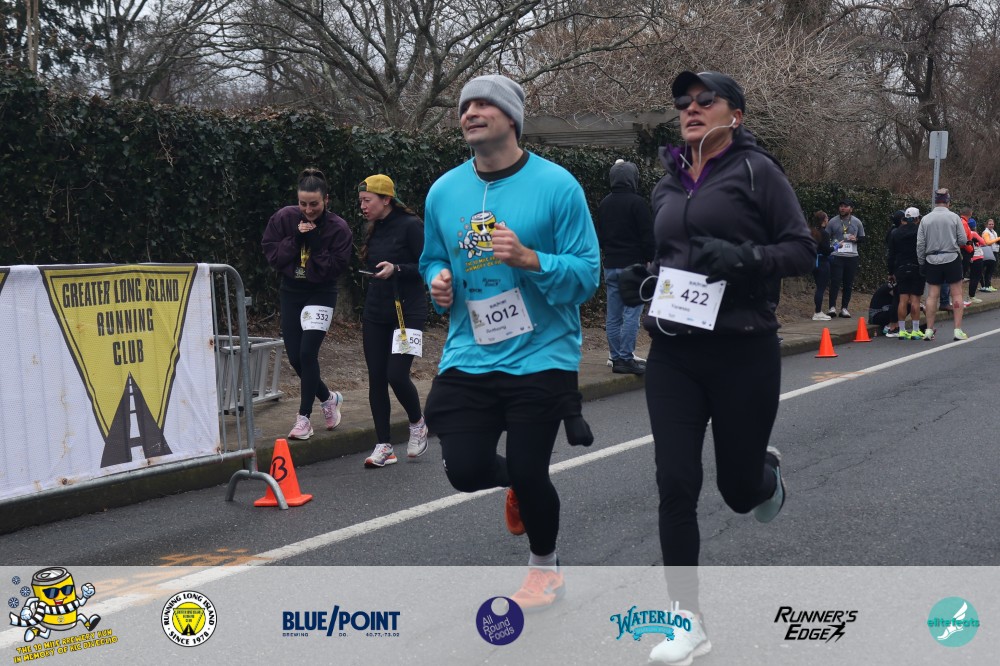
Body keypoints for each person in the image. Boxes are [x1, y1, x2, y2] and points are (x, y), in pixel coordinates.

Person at [619, 71, 813, 665]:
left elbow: (802, 250)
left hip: (742, 351)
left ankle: (763, 475)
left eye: (706, 100)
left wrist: (744, 258)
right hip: (674, 353)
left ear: (736, 115)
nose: (691, 108)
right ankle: (688, 622)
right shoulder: (666, 183)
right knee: (675, 482)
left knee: (737, 492)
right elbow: (669, 257)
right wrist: (642, 278)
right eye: (683, 101)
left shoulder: (758, 172)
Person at [419, 74, 600, 610]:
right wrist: (436, 282)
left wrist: (530, 259)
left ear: (512, 118)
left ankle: (545, 567)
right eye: (465, 106)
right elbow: (433, 256)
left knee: (529, 466)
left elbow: (587, 274)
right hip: (470, 352)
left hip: (542, 353)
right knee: (465, 470)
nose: (471, 112)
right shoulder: (443, 191)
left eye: (484, 104)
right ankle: (517, 483)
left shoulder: (558, 186)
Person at [262, 168, 353, 439]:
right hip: (291, 291)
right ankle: (328, 398)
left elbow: (333, 269)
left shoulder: (338, 228)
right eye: (303, 203)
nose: (308, 209)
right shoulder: (284, 218)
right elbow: (273, 256)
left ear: (326, 200)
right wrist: (296, 239)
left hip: (321, 293)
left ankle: (304, 419)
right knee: (294, 357)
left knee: (307, 353)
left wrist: (315, 242)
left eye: (314, 204)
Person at [357, 174, 429, 468]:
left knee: (396, 375)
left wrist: (397, 269)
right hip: (376, 312)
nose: (363, 206)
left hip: (408, 311)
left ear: (386, 199)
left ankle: (417, 423)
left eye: (367, 200)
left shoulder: (412, 226)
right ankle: (384, 445)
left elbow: (427, 265)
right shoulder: (374, 228)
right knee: (376, 377)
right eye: (361, 201)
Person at [597, 159, 654, 374]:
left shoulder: (604, 203)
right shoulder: (638, 203)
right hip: (634, 266)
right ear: (633, 178)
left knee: (613, 315)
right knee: (632, 313)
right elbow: (648, 236)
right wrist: (650, 258)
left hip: (611, 265)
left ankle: (615, 357)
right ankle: (626, 357)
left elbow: (600, 235)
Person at [916, 188, 968, 341]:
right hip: (951, 257)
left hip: (932, 259)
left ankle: (929, 330)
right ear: (948, 202)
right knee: (956, 293)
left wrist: (921, 262)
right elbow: (963, 240)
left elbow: (920, 244)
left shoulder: (926, 219)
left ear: (935, 202)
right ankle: (957, 330)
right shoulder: (954, 217)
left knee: (932, 295)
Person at [887, 207, 925, 339]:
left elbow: (891, 254)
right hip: (917, 267)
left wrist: (891, 272)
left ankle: (902, 330)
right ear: (917, 219)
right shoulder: (920, 231)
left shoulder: (895, 233)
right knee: (915, 300)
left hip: (901, 268)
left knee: (902, 299)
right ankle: (915, 330)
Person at [827, 198, 865, 318]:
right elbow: (826, 236)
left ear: (851, 209)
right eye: (841, 206)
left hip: (852, 256)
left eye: (845, 206)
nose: (842, 208)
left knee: (848, 283)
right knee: (835, 281)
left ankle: (844, 308)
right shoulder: (833, 221)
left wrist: (856, 239)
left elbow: (863, 238)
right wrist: (833, 246)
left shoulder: (857, 222)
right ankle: (832, 307)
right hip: (837, 255)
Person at [809, 211, 834, 320]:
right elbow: (827, 251)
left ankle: (818, 311)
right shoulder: (824, 233)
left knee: (818, 287)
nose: (828, 220)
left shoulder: (812, 232)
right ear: (824, 220)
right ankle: (818, 312)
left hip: (814, 261)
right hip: (823, 262)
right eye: (827, 218)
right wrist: (836, 247)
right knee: (821, 288)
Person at [980, 218, 999, 292]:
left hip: (994, 251)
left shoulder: (993, 232)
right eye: (989, 224)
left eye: (992, 224)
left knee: (991, 270)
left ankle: (988, 285)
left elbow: (994, 241)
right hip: (989, 252)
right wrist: (998, 239)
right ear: (986, 225)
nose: (991, 225)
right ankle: (986, 285)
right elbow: (988, 242)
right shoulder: (986, 232)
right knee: (988, 269)